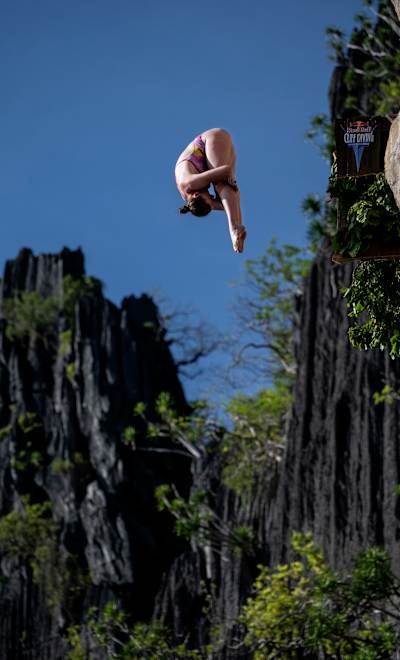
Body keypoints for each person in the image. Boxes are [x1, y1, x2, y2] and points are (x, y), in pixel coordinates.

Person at [175, 128, 247, 253]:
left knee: (220, 183)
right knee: (230, 195)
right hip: (220, 148)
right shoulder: (193, 197)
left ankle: (233, 228)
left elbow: (226, 170)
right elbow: (232, 200)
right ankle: (237, 230)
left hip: (210, 139)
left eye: (210, 197)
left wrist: (227, 184)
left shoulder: (189, 183)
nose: (212, 196)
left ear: (197, 194)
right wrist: (216, 203)